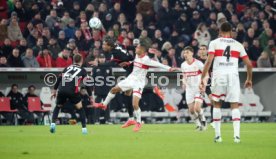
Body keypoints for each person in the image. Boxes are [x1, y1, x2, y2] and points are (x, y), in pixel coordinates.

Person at [95, 42, 178, 132]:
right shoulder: (137, 56)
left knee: (135, 104)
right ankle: (104, 104)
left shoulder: (147, 60)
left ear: (142, 50)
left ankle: (138, 122)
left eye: (137, 48)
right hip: (131, 78)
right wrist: (128, 63)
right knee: (113, 89)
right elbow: (135, 61)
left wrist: (169, 68)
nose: (135, 49)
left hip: (139, 83)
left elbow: (159, 65)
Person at [200, 22, 253, 143]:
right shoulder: (238, 45)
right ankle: (236, 136)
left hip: (219, 76)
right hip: (233, 76)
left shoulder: (214, 43)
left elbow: (208, 62)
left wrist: (203, 78)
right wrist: (249, 79)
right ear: (231, 31)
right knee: (234, 105)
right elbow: (249, 65)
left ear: (219, 31)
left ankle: (218, 136)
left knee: (217, 104)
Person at [97, 36, 136, 128]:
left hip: (134, 73)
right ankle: (132, 119)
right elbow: (130, 47)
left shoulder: (115, 52)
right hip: (131, 71)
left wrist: (99, 64)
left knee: (115, 90)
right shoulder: (118, 46)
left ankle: (104, 104)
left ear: (109, 46)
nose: (103, 46)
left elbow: (111, 63)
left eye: (104, 44)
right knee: (128, 95)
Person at [50, 54, 93, 134]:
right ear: (81, 61)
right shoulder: (83, 70)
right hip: (72, 91)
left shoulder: (67, 68)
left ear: (73, 60)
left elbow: (59, 78)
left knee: (58, 106)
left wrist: (54, 90)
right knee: (80, 108)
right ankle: (84, 129)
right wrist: (90, 96)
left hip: (61, 90)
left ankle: (52, 124)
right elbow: (87, 84)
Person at [181, 46, 207, 131]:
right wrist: (184, 83)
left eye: (187, 52)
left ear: (192, 53)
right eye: (184, 53)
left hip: (198, 88)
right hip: (189, 89)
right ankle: (198, 125)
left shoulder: (198, 63)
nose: (185, 54)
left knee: (197, 108)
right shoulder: (183, 65)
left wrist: (204, 85)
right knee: (191, 110)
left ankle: (203, 120)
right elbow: (184, 76)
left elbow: (206, 75)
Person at [91, 53, 113, 124]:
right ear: (98, 59)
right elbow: (92, 79)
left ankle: (108, 119)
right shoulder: (95, 68)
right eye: (100, 58)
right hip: (98, 89)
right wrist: (92, 88)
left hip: (107, 89)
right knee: (97, 105)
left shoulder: (109, 67)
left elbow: (111, 78)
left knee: (107, 105)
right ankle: (96, 120)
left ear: (105, 58)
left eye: (103, 58)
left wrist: (111, 88)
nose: (102, 59)